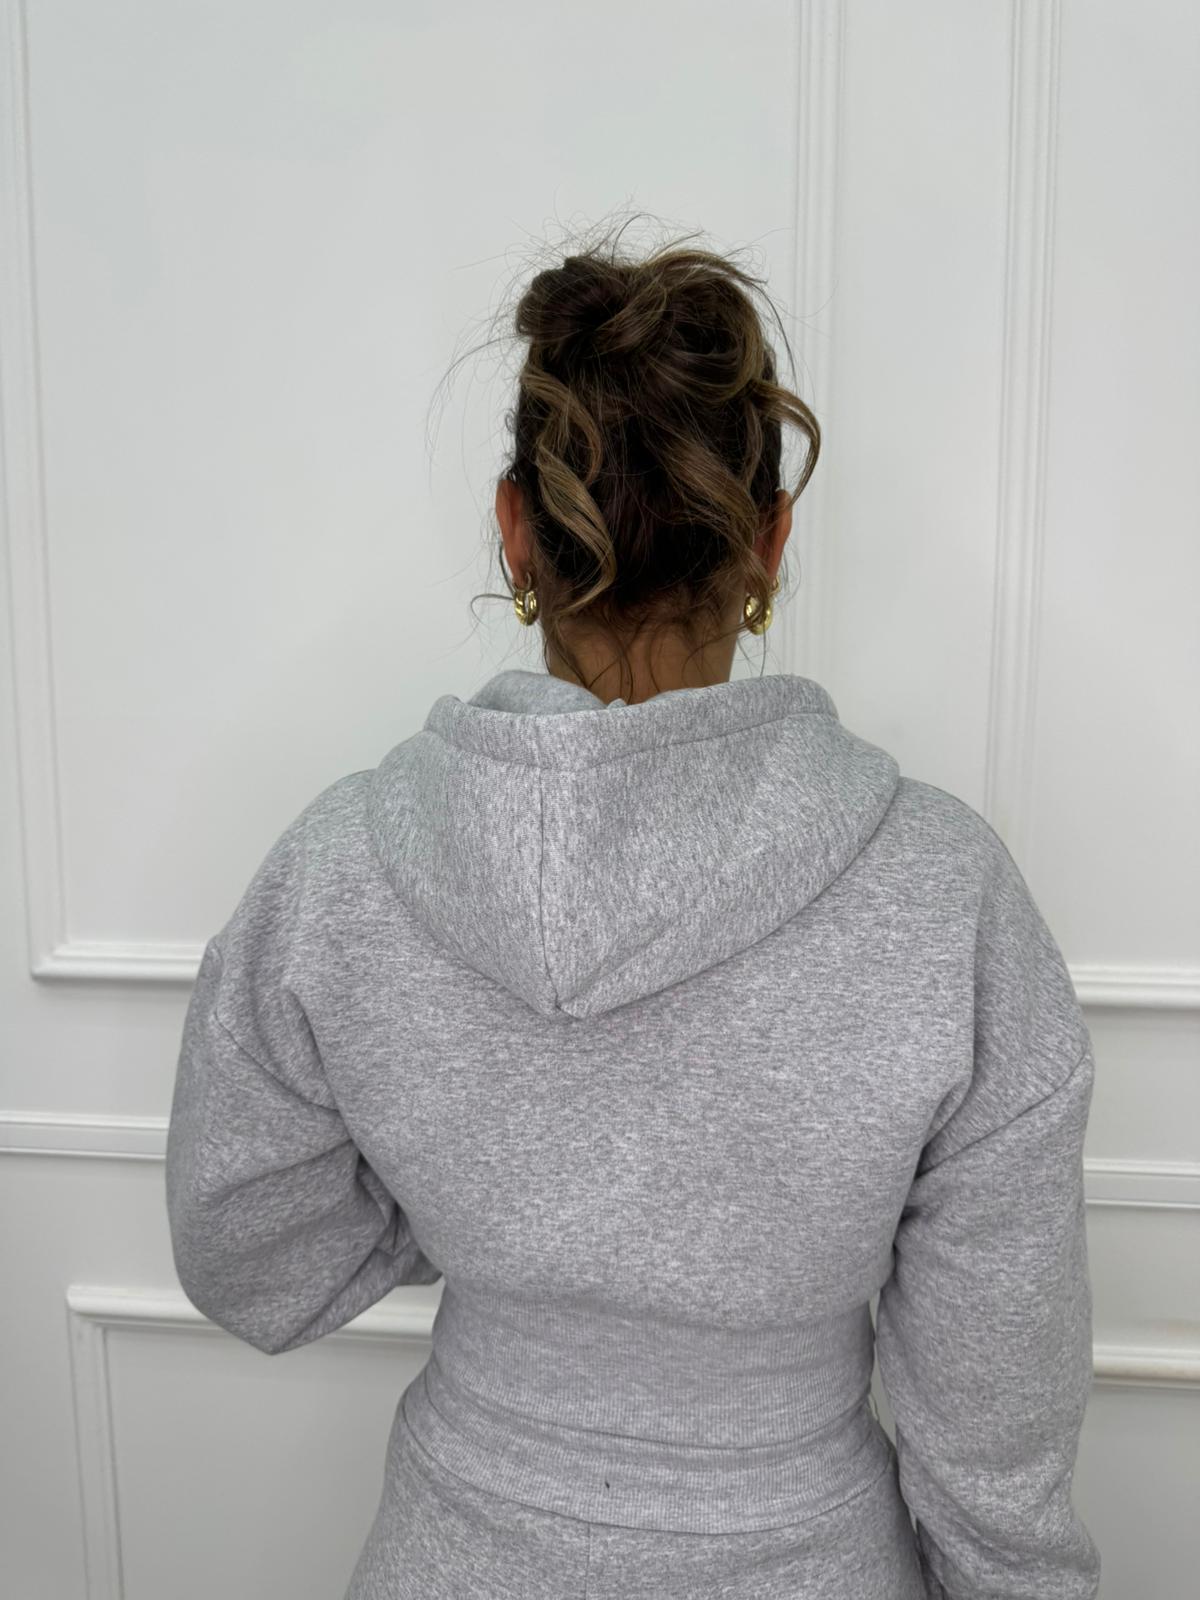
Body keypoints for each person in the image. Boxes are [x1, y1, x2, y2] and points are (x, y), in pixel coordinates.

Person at [165, 232, 1102, 1599]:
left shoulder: (340, 869)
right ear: (768, 542)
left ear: (514, 532)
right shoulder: (946, 893)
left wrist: (473, 1190)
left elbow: (251, 1258)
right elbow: (995, 1418)